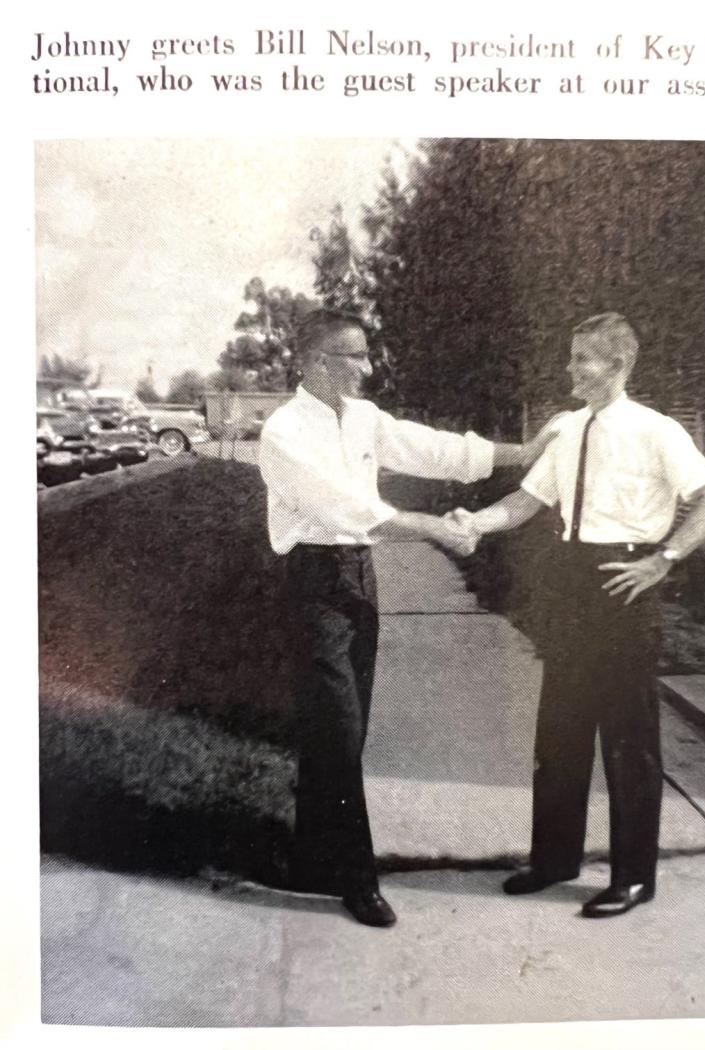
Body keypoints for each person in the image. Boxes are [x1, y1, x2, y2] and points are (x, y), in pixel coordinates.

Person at [257, 307, 556, 928]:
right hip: (314, 583)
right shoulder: (283, 432)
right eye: (354, 357)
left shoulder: (363, 418)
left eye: (368, 355)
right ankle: (356, 880)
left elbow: (431, 448)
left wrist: (521, 453)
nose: (368, 368)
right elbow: (341, 506)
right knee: (338, 732)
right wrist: (427, 528)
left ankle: (312, 857)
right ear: (314, 363)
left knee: (345, 731)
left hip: (360, 579)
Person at [449, 312, 705, 918]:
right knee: (560, 728)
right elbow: (528, 499)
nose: (570, 369)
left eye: (583, 360)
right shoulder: (566, 429)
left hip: (625, 582)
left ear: (619, 365)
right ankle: (553, 861)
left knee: (628, 736)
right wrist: (477, 522)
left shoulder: (658, 431)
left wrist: (666, 559)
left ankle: (633, 877)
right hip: (571, 582)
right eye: (571, 357)